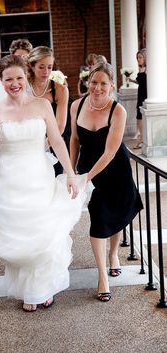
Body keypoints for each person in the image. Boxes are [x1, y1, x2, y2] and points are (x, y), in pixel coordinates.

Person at [0, 55, 87, 312]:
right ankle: (28, 290)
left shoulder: (42, 106)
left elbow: (56, 141)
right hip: (10, 182)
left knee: (41, 233)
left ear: (26, 78)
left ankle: (42, 288)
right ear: (1, 80)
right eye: (8, 79)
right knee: (20, 238)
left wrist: (69, 173)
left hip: (38, 177)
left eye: (19, 78)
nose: (15, 83)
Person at [70, 62, 143, 302]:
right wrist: (72, 172)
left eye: (103, 83)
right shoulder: (76, 105)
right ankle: (103, 276)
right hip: (88, 170)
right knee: (99, 219)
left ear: (112, 85)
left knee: (116, 214)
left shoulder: (118, 110)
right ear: (87, 83)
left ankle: (114, 254)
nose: (97, 88)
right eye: (94, 82)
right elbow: (74, 140)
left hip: (114, 168)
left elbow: (110, 152)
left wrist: (85, 177)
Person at [0, 39, 33, 219]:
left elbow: (56, 139)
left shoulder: (40, 103)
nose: (14, 82)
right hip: (8, 165)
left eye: (26, 57)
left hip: (36, 168)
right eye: (20, 57)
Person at [27, 46, 69, 175]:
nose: (46, 71)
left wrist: (42, 148)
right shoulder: (23, 87)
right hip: (27, 143)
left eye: (49, 67)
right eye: (41, 67)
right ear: (32, 66)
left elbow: (60, 126)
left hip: (53, 143)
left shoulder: (60, 90)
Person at [130, 48, 147, 149]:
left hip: (146, 95)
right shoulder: (141, 69)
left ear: (145, 57)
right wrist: (131, 80)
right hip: (140, 94)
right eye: (137, 58)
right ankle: (141, 139)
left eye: (140, 57)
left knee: (142, 117)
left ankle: (143, 140)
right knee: (139, 117)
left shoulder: (149, 69)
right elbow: (140, 82)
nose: (138, 59)